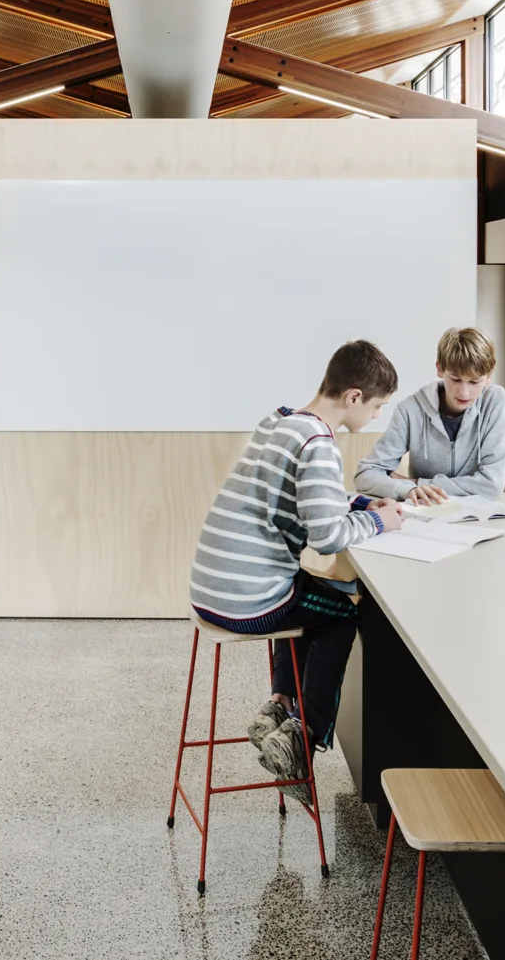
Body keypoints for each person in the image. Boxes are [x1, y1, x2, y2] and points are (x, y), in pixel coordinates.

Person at [188, 340, 405, 798]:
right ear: (353, 397)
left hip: (210, 589)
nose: (376, 417)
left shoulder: (282, 422)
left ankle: (279, 705)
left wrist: (361, 502)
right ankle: (301, 739)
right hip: (249, 598)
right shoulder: (319, 442)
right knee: (341, 614)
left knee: (311, 595)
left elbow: (311, 495)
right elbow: (327, 536)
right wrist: (379, 522)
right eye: (377, 406)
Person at [354, 327, 505, 506]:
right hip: (426, 511)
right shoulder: (410, 410)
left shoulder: (496, 402)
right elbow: (366, 475)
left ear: (488, 377)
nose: (464, 392)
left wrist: (417, 483)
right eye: (455, 379)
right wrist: (404, 489)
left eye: (474, 382)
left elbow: (492, 486)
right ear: (440, 369)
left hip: (478, 514)